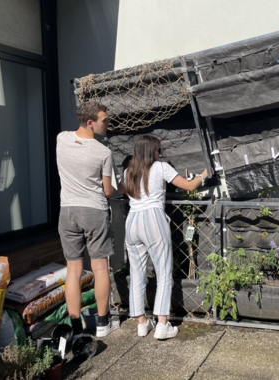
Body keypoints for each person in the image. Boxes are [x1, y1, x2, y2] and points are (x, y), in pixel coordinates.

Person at [118, 135, 208, 339]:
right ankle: (162, 324)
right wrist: (204, 174)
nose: (160, 153)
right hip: (153, 219)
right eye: (158, 149)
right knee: (164, 272)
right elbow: (189, 186)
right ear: (152, 151)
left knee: (137, 272)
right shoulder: (160, 167)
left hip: (132, 221)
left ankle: (141, 323)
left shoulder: (128, 171)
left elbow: (121, 189)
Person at [56, 101, 117, 338]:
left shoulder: (62, 139)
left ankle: (75, 328)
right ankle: (102, 323)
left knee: (73, 270)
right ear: (90, 123)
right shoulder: (103, 152)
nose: (108, 123)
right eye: (105, 120)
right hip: (93, 211)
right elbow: (108, 191)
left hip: (68, 211)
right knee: (100, 267)